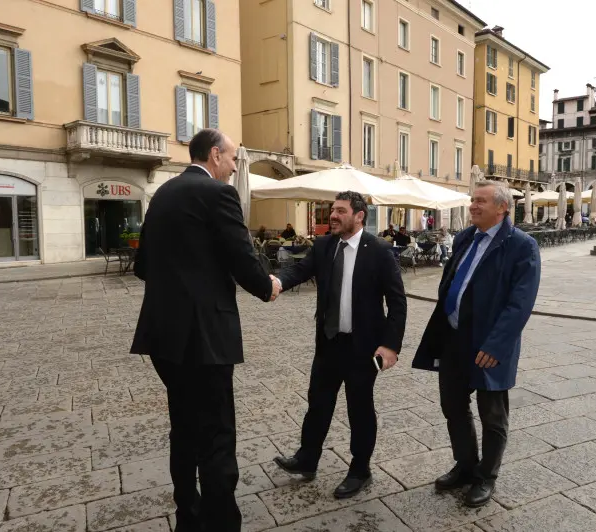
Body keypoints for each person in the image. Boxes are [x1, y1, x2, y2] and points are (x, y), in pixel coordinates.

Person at [130, 128, 281, 532]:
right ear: (215, 155)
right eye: (232, 158)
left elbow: (142, 266)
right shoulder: (218, 194)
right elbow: (243, 258)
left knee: (183, 427)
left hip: (163, 336)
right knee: (216, 432)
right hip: (205, 338)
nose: (234, 167)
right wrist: (269, 286)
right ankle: (221, 521)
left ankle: (187, 515)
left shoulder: (162, 194)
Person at [413, 180, 541, 508]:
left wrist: (496, 346)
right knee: (453, 407)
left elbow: (520, 303)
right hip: (455, 339)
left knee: (492, 415)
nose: (473, 206)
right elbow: (453, 282)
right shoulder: (466, 237)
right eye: (472, 200)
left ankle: (487, 477)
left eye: (481, 201)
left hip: (489, 345)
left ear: (502, 208)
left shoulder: (521, 246)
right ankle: (466, 466)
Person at [271, 191, 407, 499]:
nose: (333, 215)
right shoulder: (323, 246)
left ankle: (361, 469)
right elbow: (299, 271)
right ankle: (307, 459)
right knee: (318, 403)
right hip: (329, 343)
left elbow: (397, 302)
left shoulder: (379, 251)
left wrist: (390, 346)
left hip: (363, 347)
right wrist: (277, 282)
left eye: (340, 211)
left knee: (359, 408)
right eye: (332, 210)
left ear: (359, 216)